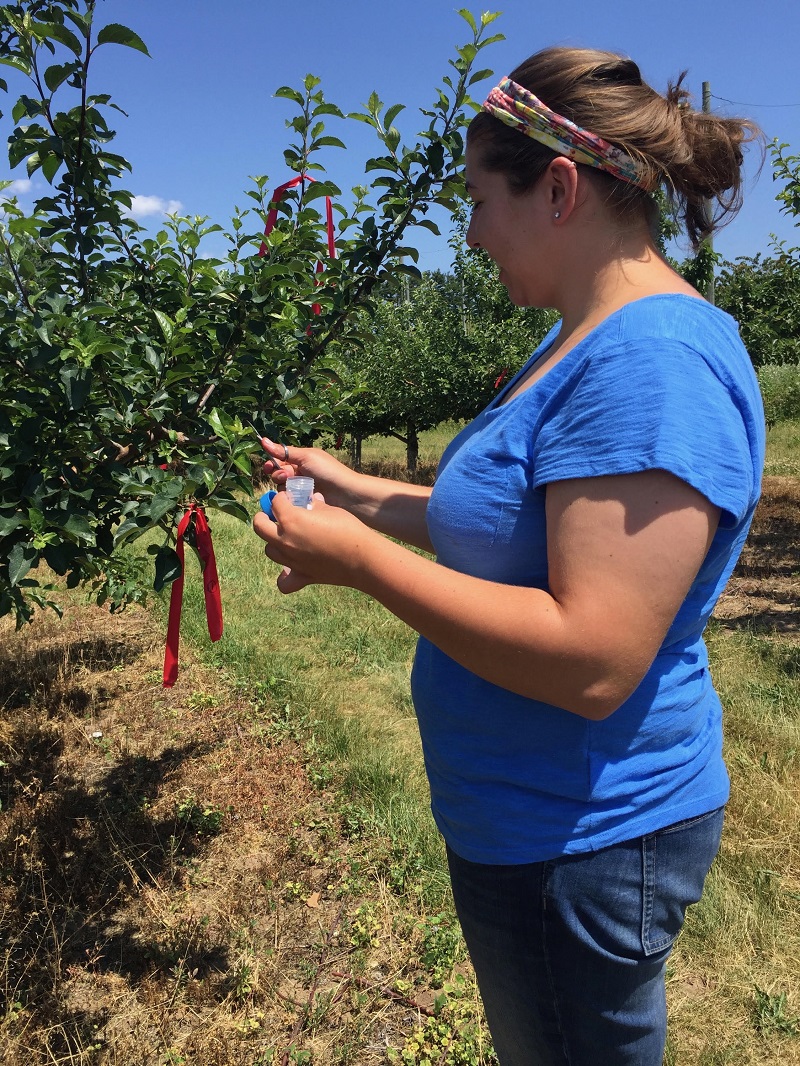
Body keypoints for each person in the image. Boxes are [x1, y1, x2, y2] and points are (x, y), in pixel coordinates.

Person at [252, 46, 765, 1066]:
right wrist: (361, 491)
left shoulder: (648, 363)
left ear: (560, 188)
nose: (472, 231)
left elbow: (592, 657)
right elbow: (503, 518)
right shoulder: (578, 337)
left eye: (480, 200)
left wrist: (356, 557)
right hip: (531, 822)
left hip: (579, 841)